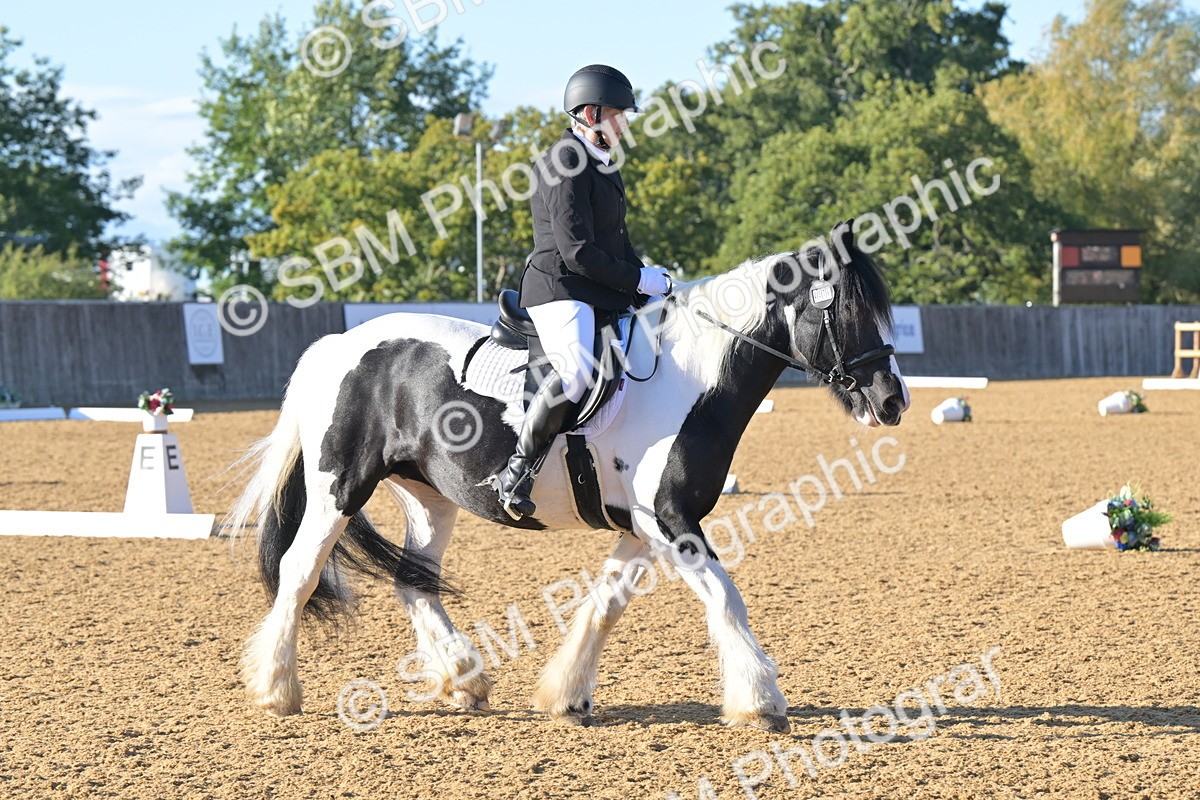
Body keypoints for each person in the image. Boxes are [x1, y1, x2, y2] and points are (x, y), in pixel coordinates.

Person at [490, 64, 671, 520]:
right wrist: (636, 281)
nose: (626, 122)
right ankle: (518, 470)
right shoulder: (563, 161)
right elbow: (578, 252)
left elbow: (619, 244)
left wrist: (651, 283)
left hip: (595, 290)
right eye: (619, 114)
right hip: (560, 287)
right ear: (591, 113)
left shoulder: (604, 164)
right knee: (574, 373)